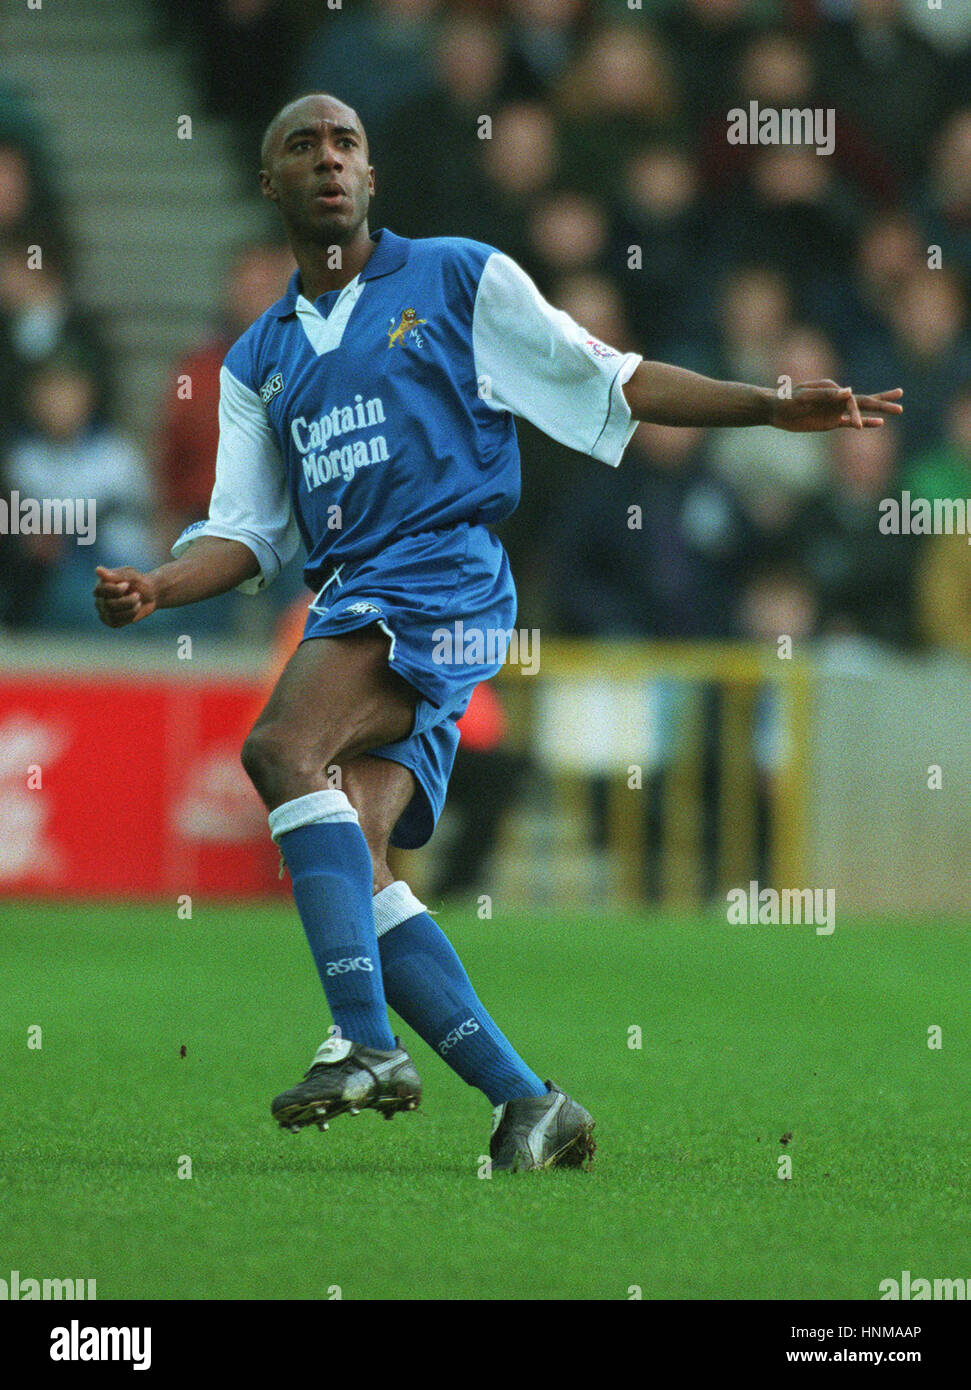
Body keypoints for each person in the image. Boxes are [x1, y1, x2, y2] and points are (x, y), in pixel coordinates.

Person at [93, 92, 903, 1172]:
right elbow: (243, 532)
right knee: (363, 862)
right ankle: (529, 1104)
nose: (328, 158)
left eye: (347, 141)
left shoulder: (459, 278)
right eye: (302, 144)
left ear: (372, 177)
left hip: (446, 575)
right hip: (356, 598)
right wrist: (160, 582)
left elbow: (605, 375)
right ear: (269, 183)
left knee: (282, 748)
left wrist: (764, 404)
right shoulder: (257, 361)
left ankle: (365, 1045)